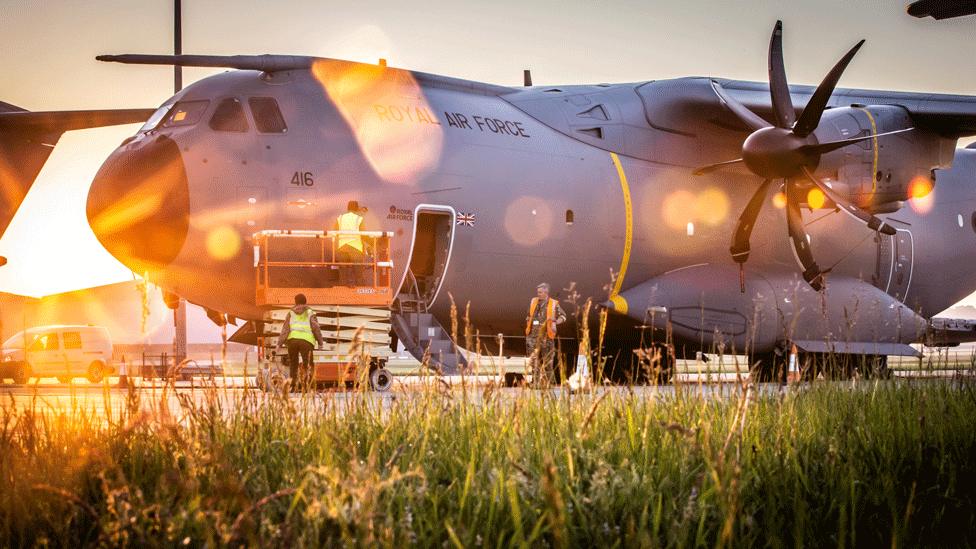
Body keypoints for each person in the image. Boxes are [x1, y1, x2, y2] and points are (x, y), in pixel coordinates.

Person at [276, 293, 324, 392]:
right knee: (308, 364)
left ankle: (293, 386)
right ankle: (307, 387)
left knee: (293, 364)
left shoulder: (291, 313)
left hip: (292, 341)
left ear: (295, 302)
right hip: (306, 342)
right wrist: (320, 342)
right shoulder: (310, 312)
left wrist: (279, 343)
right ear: (305, 301)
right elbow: (316, 328)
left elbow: (285, 329)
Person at [525, 282, 566, 386]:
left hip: (546, 338)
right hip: (533, 337)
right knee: (534, 361)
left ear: (546, 292)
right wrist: (528, 324)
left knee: (547, 363)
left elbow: (563, 316)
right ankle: (535, 383)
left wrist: (555, 322)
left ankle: (548, 383)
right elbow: (528, 315)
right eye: (537, 292)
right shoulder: (533, 302)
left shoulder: (553, 304)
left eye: (540, 292)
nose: (538, 294)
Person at [334, 200, 366, 286]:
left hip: (342, 248)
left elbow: (335, 231)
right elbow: (364, 234)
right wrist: (372, 245)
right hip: (355, 249)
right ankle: (360, 292)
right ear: (356, 209)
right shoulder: (359, 219)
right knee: (358, 273)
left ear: (347, 208)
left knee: (343, 274)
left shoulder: (340, 218)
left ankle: (342, 293)